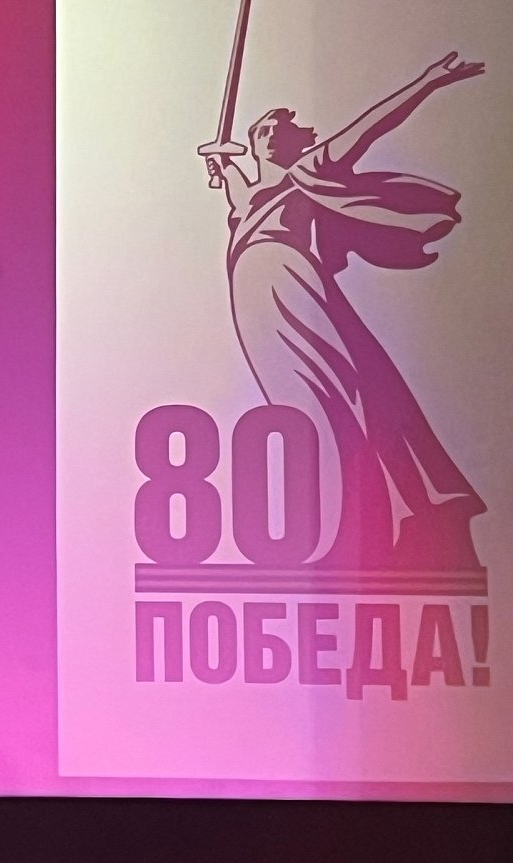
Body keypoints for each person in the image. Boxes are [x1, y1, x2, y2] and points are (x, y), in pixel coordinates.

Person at [206, 52, 485, 567]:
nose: (269, 133)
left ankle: (381, 512)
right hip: (252, 293)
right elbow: (238, 189)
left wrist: (426, 81)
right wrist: (222, 163)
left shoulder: (308, 171)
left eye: (279, 128)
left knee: (339, 385)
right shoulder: (247, 196)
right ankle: (335, 515)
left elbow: (370, 125)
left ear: (296, 142)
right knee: (292, 394)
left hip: (290, 279)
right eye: (263, 128)